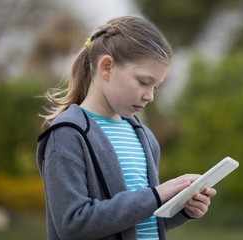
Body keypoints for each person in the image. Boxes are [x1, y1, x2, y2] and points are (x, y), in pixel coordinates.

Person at [36, 16, 216, 240]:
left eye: (156, 87)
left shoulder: (144, 137)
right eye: (143, 82)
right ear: (107, 67)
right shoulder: (67, 135)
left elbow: (137, 219)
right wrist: (155, 196)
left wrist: (183, 209)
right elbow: (73, 224)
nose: (150, 96)